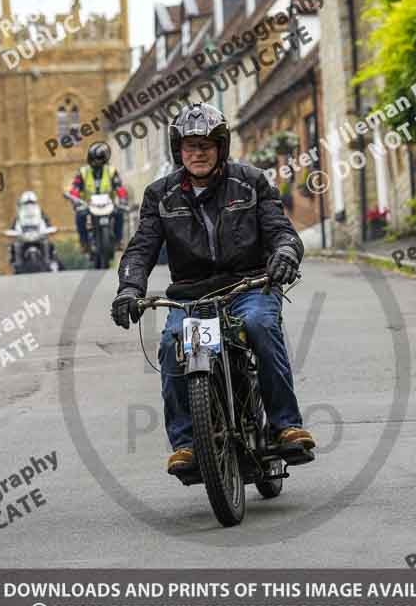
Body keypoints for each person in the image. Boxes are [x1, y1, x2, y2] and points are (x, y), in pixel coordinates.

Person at [111, 102, 315, 477]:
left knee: (260, 327)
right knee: (173, 345)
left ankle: (285, 424)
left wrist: (285, 253)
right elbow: (140, 248)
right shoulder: (160, 195)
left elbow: (281, 231)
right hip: (191, 297)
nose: (198, 153)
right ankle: (187, 444)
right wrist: (128, 288)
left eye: (206, 145)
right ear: (179, 151)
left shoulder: (251, 182)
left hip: (249, 286)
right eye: (190, 146)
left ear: (221, 147)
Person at [68, 142, 128, 252]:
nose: (97, 161)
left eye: (100, 158)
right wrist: (75, 200)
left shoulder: (111, 171)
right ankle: (84, 243)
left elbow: (119, 187)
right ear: (90, 158)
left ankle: (118, 241)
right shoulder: (83, 172)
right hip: (89, 205)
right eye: (95, 159)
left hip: (108, 204)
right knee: (79, 216)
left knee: (120, 213)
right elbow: (75, 188)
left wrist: (123, 200)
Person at [9, 191, 60, 270]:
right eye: (27, 203)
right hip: (24, 236)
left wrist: (49, 227)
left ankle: (50, 260)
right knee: (15, 245)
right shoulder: (19, 214)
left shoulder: (40, 212)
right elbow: (14, 225)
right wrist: (12, 231)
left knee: (48, 243)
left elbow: (46, 221)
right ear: (22, 203)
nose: (29, 205)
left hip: (38, 234)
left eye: (31, 202)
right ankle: (16, 263)